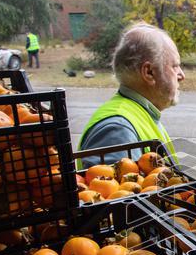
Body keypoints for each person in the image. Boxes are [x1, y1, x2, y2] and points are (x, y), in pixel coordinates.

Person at [78, 22, 182, 164]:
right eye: (175, 66)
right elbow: (107, 185)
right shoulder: (118, 130)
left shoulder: (140, 114)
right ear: (149, 72)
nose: (181, 75)